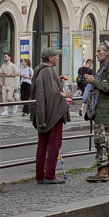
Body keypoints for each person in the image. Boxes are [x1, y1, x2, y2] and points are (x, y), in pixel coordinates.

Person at [85, 42, 109, 183]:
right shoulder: (103, 67)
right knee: (102, 141)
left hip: (105, 110)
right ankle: (104, 170)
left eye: (99, 51)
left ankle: (103, 171)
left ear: (107, 53)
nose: (96, 53)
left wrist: (94, 82)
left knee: (100, 141)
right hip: (100, 109)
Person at [32, 51, 69, 183]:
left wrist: (57, 81)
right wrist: (64, 94)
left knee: (42, 144)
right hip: (52, 112)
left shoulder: (40, 69)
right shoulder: (47, 71)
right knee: (54, 144)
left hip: (43, 112)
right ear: (50, 58)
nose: (57, 58)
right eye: (56, 56)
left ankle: (40, 175)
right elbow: (51, 93)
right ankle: (49, 175)